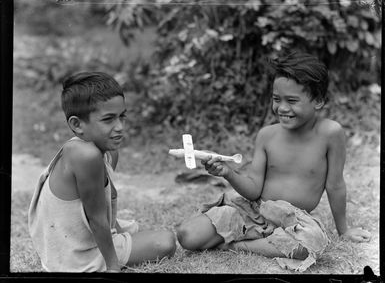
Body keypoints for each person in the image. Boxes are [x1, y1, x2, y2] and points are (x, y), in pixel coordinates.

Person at [176, 51, 371, 272]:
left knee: (311, 243)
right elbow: (253, 190)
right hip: (253, 211)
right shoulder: (267, 135)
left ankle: (240, 245)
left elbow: (335, 185)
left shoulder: (330, 133)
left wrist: (343, 230)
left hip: (294, 221)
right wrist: (228, 173)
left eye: (292, 101)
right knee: (187, 235)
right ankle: (256, 238)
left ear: (318, 101)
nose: (282, 108)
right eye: (277, 99)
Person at [28, 72, 176, 272]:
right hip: (74, 256)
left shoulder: (104, 152)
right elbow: (96, 218)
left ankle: (118, 237)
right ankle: (111, 252)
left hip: (66, 241)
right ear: (77, 124)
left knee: (138, 229)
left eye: (121, 116)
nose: (120, 127)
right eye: (108, 120)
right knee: (165, 241)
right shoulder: (85, 156)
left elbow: (101, 204)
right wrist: (112, 266)